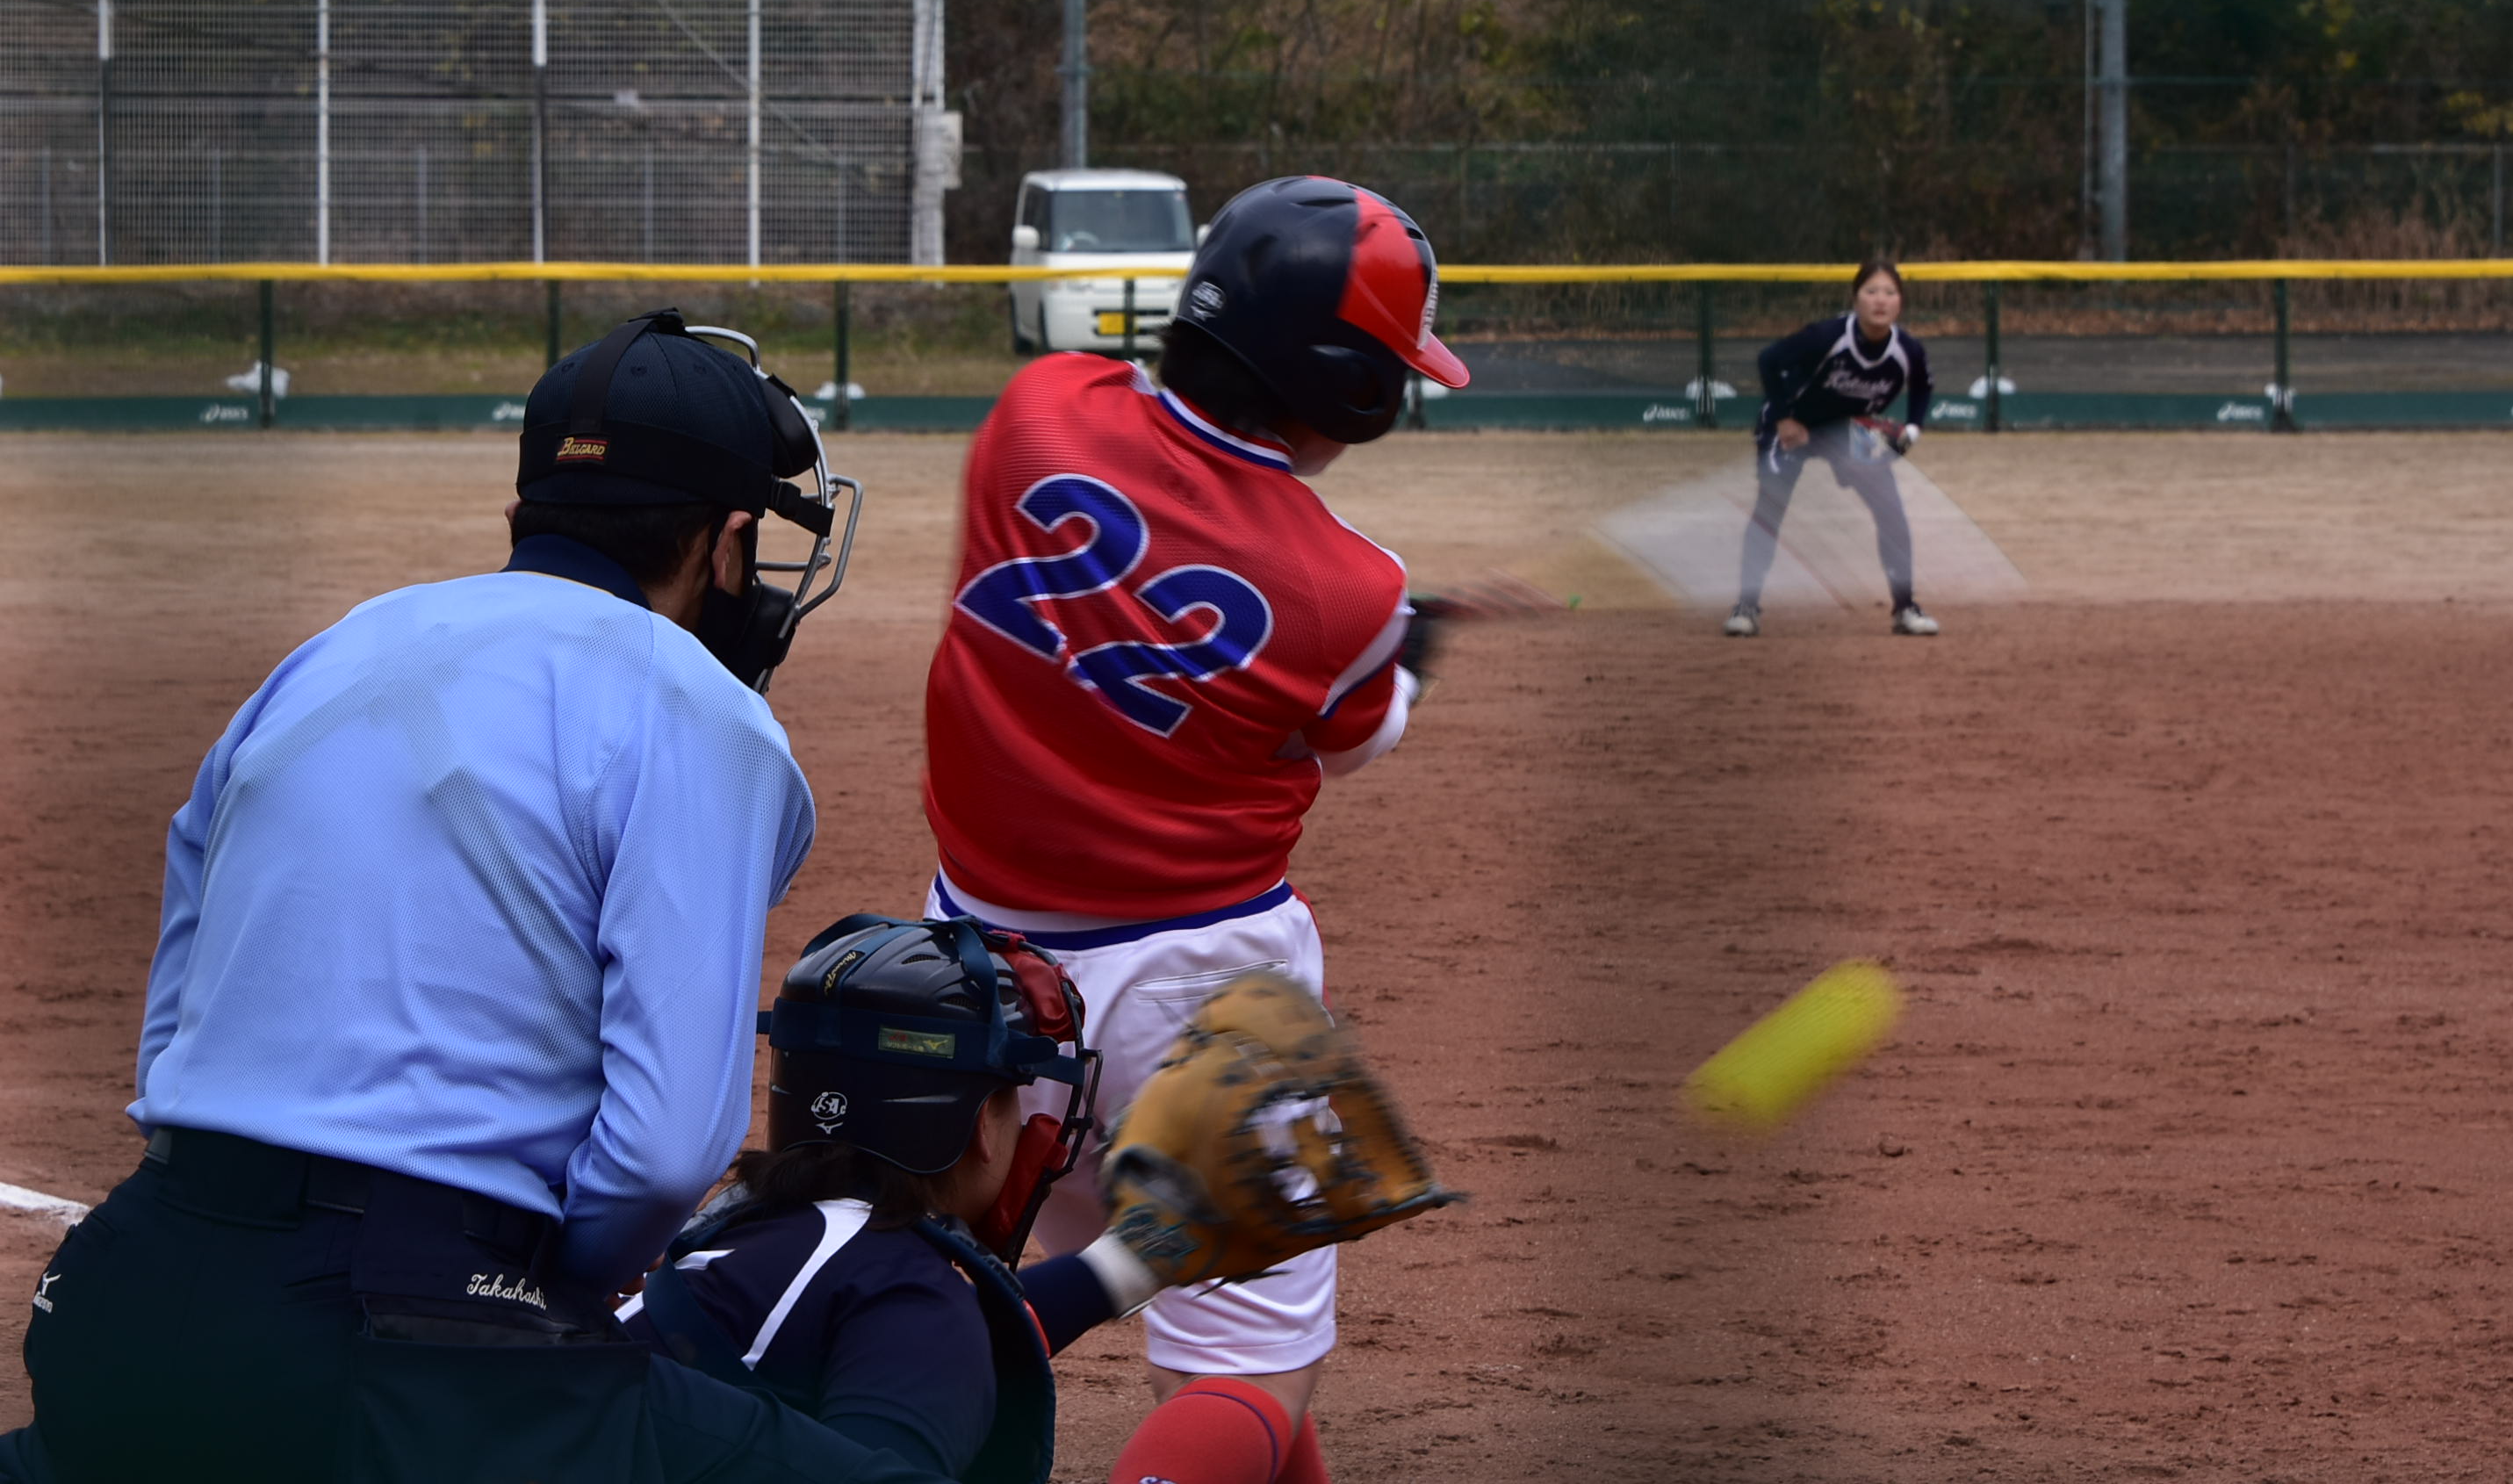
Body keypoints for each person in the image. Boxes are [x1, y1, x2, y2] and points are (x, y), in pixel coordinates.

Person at [1, 312, 963, 1484]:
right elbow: (667, 1153)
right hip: (401, 1339)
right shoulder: (700, 709)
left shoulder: (334, 648)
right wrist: (545, 1294)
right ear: (725, 545)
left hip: (125, 1286)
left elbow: (172, 1029)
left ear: (525, 511)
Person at [918, 176, 1469, 1484]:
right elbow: (1357, 735)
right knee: (1245, 1367)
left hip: (969, 979)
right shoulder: (1352, 586)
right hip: (1198, 994)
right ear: (1349, 392)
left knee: (952, 1313)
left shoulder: (1034, 409)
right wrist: (1412, 656)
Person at [622, 914, 1163, 1484]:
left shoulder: (748, 1239)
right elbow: (919, 1345)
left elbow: (901, 1354)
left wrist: (1128, 1263)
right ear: (982, 1124)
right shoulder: (907, 1295)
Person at [1726, 257, 1940, 638]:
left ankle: (1905, 608)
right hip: (1794, 425)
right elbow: (1769, 360)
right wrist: (1783, 418)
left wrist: (1913, 428)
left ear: (1900, 302)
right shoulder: (1827, 336)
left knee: (1890, 511)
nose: (1880, 300)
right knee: (1770, 508)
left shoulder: (1907, 349)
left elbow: (1923, 386)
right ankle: (1746, 606)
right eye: (1871, 291)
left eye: (1890, 292)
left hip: (1847, 431)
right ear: (1855, 299)